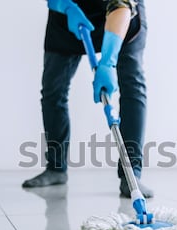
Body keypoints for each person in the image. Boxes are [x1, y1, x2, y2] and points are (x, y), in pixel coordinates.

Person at [22, 0, 153, 198]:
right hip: (67, 15)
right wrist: (65, 6)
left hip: (122, 15)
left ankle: (131, 176)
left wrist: (108, 63)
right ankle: (56, 168)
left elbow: (121, 6)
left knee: (132, 87)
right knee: (53, 91)